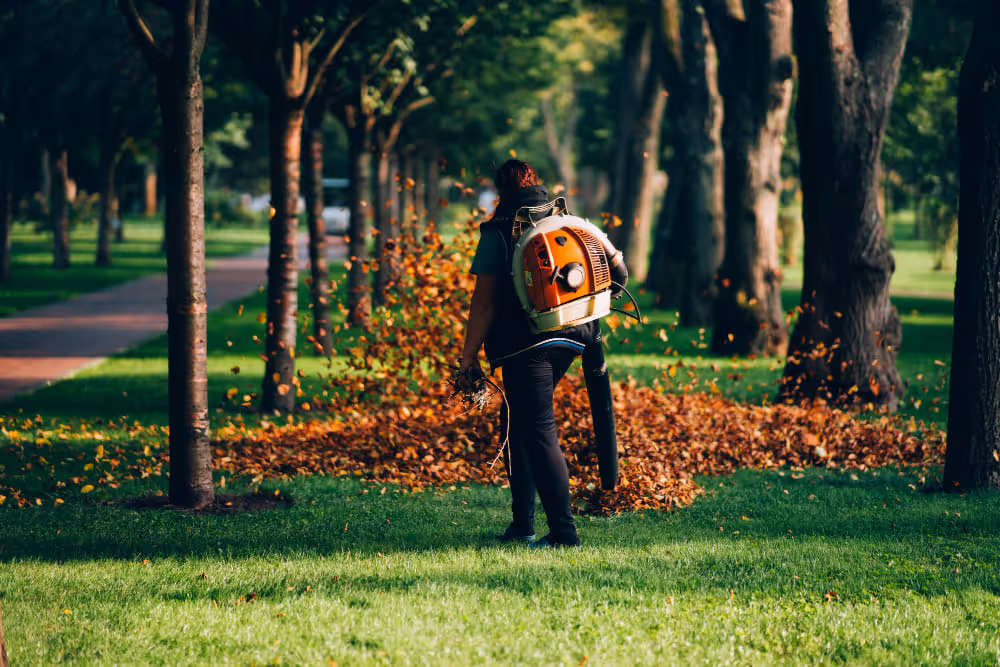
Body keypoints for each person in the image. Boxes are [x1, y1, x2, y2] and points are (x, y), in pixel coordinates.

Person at [459, 159, 600, 548]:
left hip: (528, 344)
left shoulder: (498, 230)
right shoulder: (567, 220)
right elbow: (615, 272)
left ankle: (563, 534)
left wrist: (468, 357)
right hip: (575, 336)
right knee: (516, 419)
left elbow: (484, 303)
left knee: (538, 430)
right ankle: (521, 525)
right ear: (536, 183)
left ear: (500, 190)